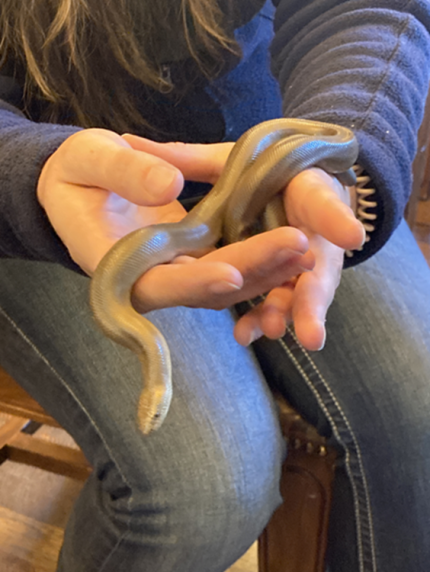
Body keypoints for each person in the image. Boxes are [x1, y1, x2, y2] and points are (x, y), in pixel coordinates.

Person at [0, 0, 429, 570]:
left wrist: (349, 143)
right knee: (201, 493)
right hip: (44, 194)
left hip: (275, 148)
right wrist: (25, 172)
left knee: (419, 410)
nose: (150, 410)